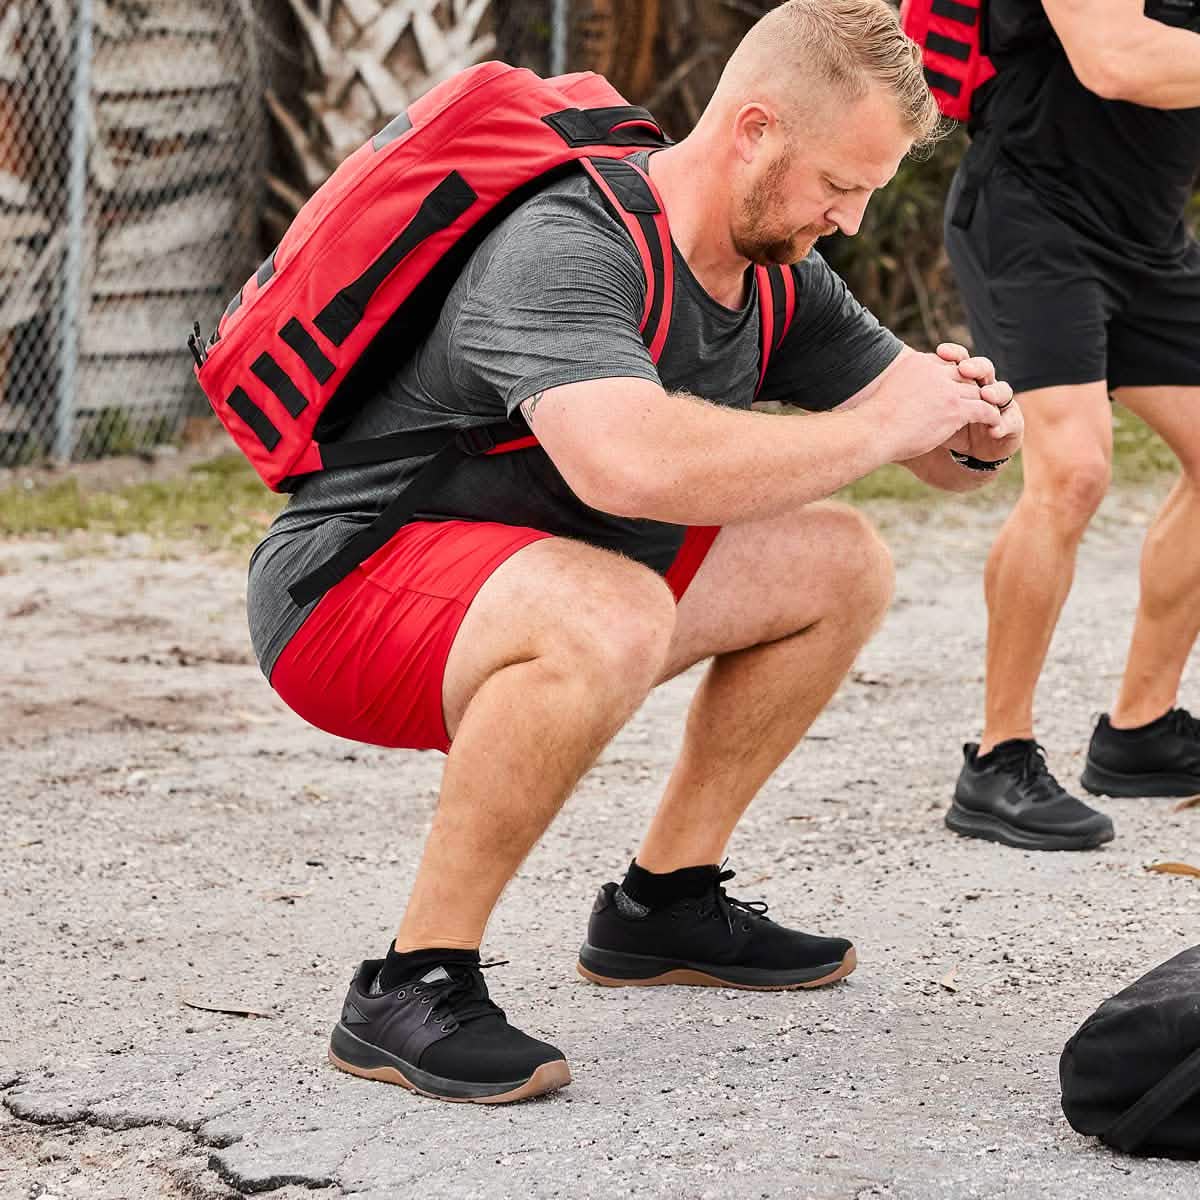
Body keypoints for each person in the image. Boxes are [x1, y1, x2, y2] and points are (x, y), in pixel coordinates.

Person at [246, 0, 1022, 1104]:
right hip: (346, 597)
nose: (849, 219)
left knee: (839, 563)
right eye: (840, 186)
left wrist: (980, 434)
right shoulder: (570, 241)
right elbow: (626, 463)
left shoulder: (773, 271)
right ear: (754, 131)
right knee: (612, 609)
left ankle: (665, 904)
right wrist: (873, 432)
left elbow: (923, 437)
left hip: (532, 588)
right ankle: (409, 984)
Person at [943, 0, 1200, 852]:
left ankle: (1141, 733)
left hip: (1149, 233)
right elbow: (1115, 57)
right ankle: (997, 758)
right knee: (1075, 471)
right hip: (1033, 216)